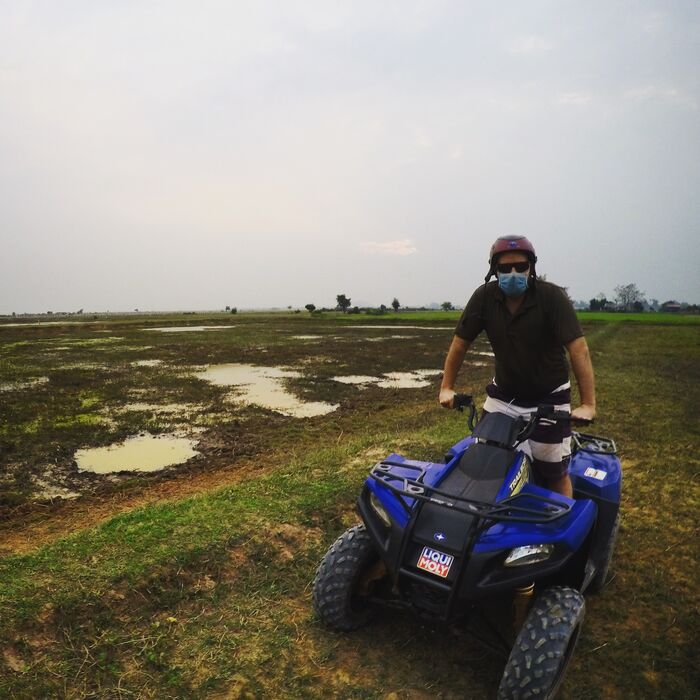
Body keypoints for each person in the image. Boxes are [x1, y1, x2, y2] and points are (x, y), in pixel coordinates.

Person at [439, 235, 596, 498]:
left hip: (549, 397)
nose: (513, 273)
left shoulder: (551, 297)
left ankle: (559, 532)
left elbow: (578, 349)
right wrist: (446, 387)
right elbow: (459, 344)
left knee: (553, 470)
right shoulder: (484, 298)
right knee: (487, 460)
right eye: (504, 268)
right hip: (505, 396)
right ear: (494, 270)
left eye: (520, 267)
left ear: (531, 268)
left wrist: (588, 404)